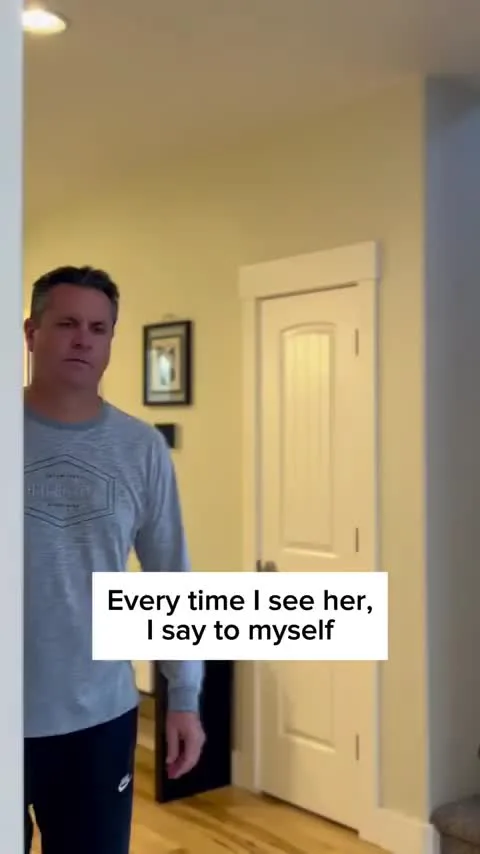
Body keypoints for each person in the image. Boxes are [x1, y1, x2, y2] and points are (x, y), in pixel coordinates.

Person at [23, 265, 205, 854]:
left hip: (97, 722)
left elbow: (170, 577)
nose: (83, 340)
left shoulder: (141, 449)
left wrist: (184, 697)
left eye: (98, 329)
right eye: (67, 324)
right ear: (31, 332)